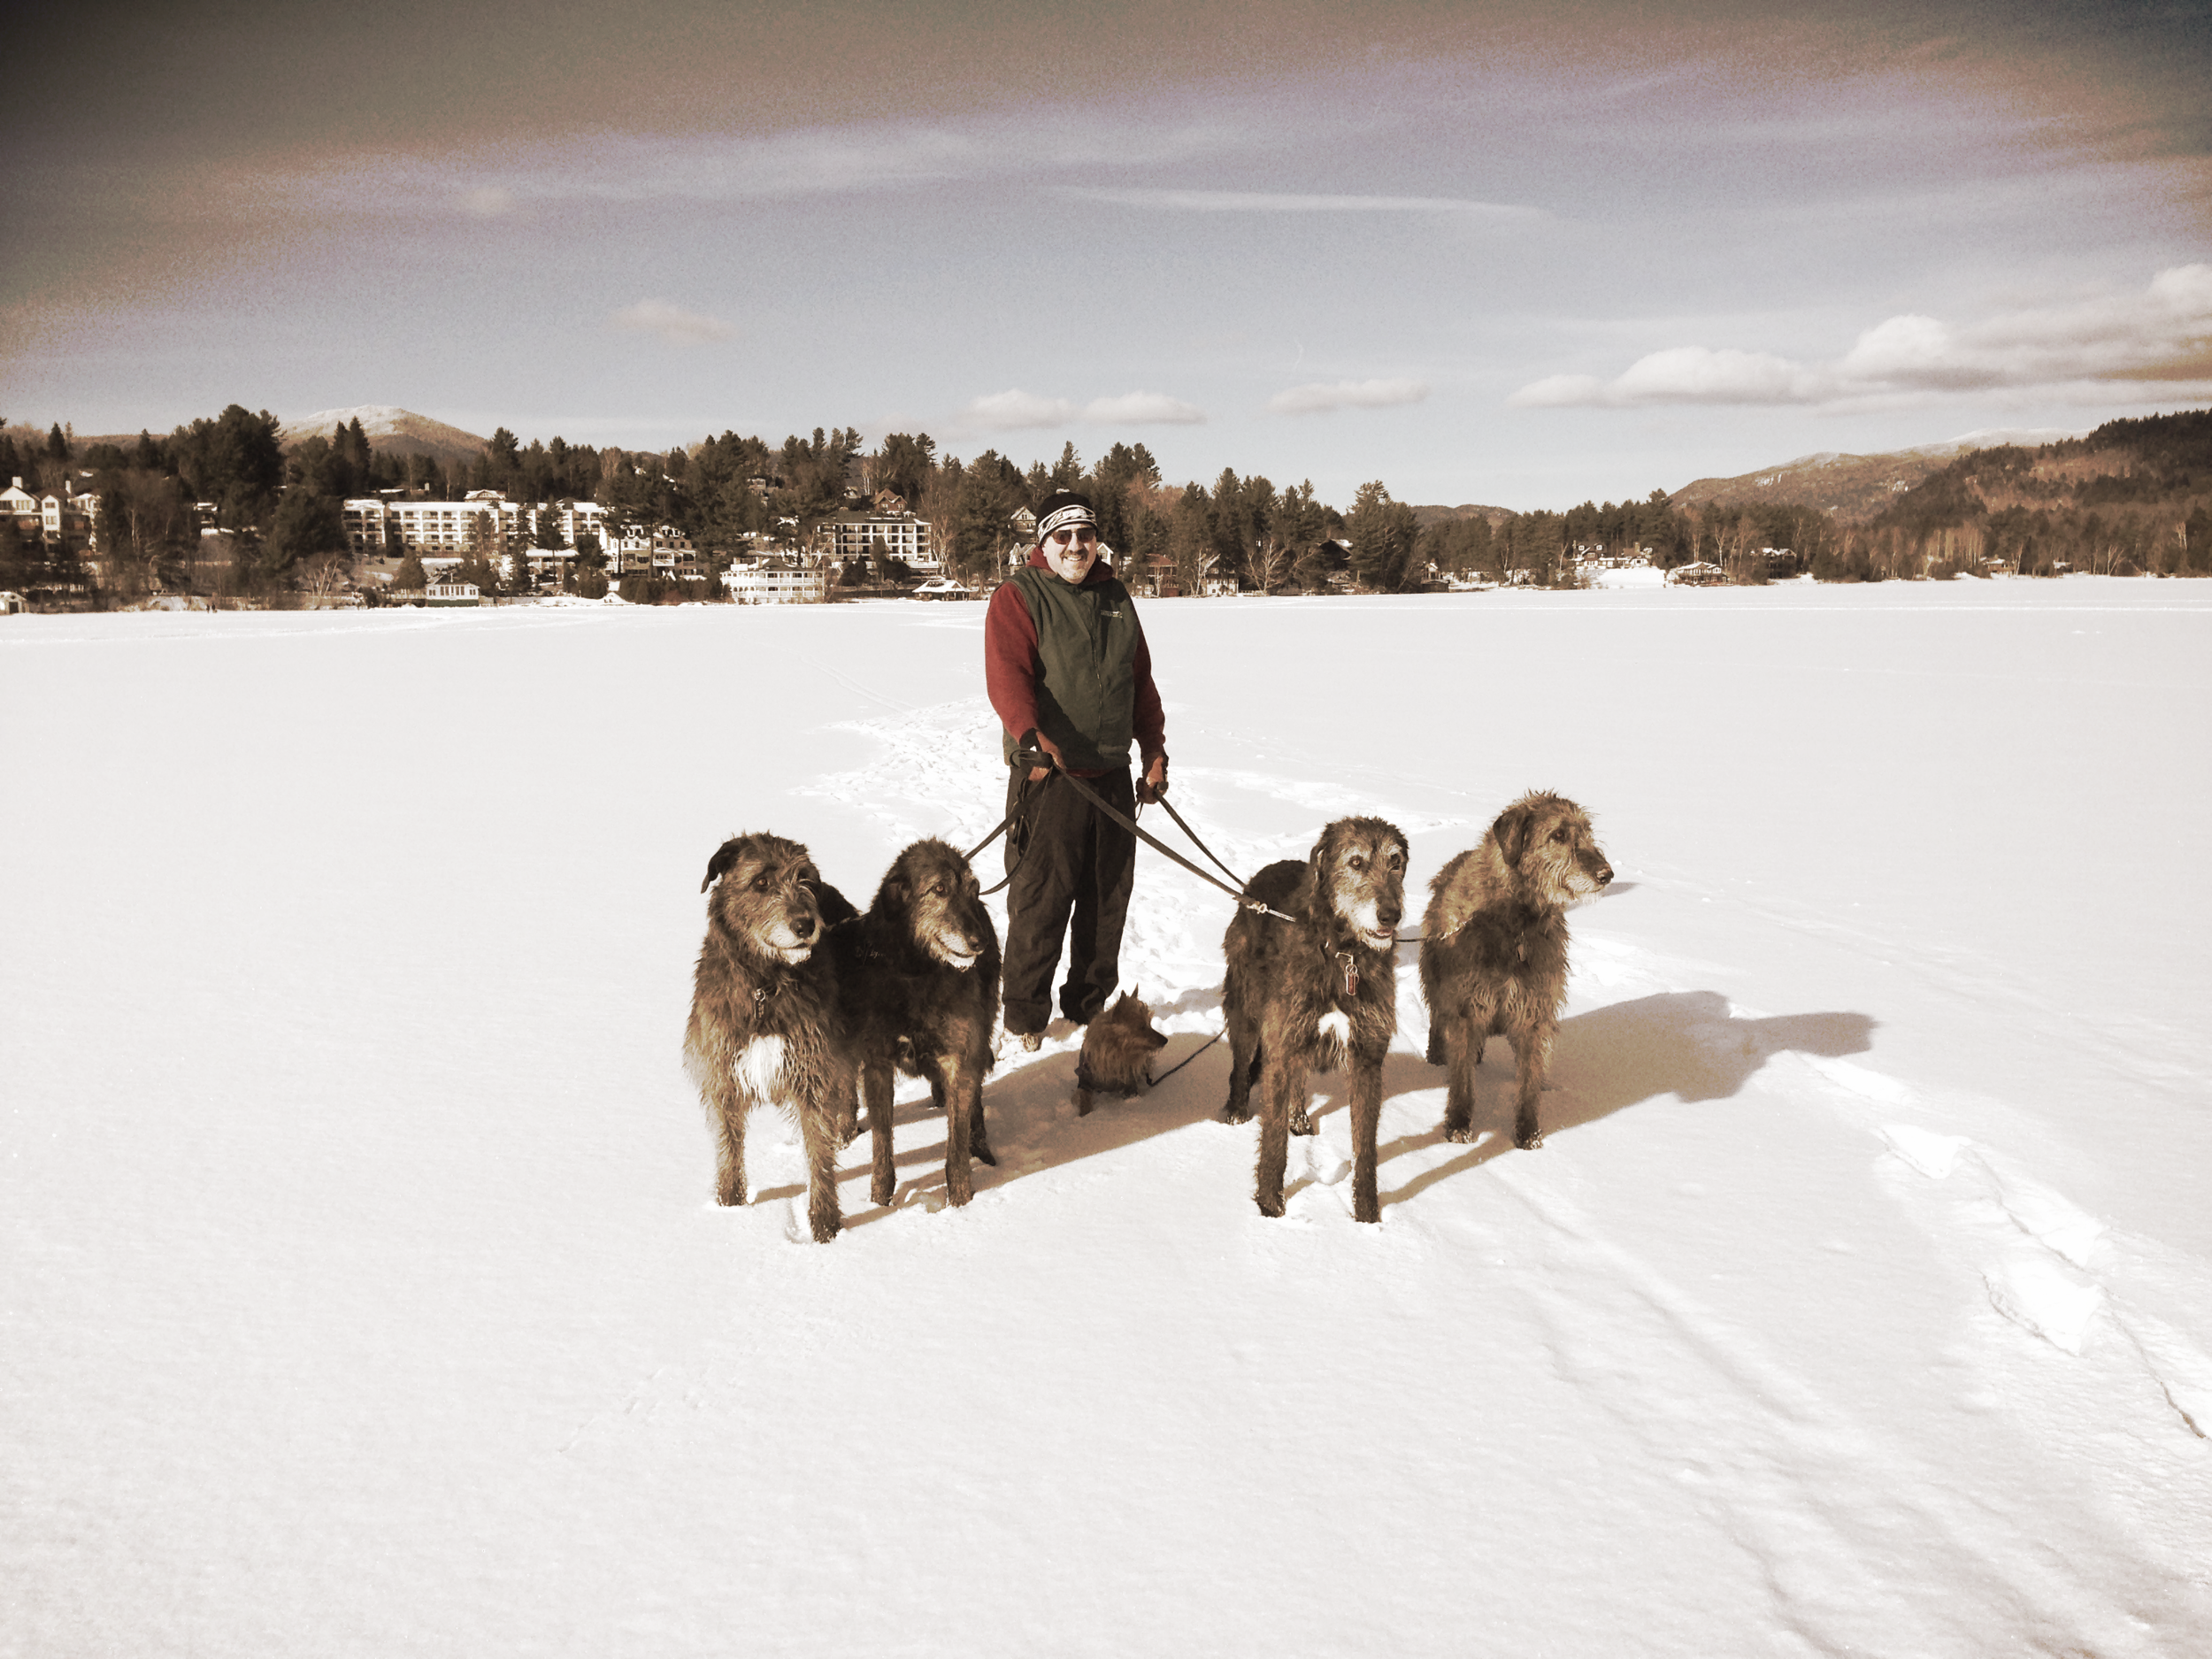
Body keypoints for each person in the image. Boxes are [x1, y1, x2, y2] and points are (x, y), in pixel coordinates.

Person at [984, 490, 1169, 1048]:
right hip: (1050, 776)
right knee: (1041, 900)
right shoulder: (1019, 596)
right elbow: (1007, 677)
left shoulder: (1116, 596)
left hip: (1111, 774)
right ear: (1043, 542)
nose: (1075, 546)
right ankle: (1024, 1016)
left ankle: (1087, 1007)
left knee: (1106, 900)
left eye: (1084, 535)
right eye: (1062, 536)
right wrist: (1030, 736)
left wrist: (1153, 749)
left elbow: (1140, 682)